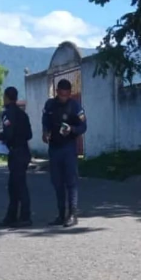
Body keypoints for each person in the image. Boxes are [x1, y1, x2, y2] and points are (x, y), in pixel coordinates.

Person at [42, 79, 87, 227]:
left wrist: (72, 130)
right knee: (57, 183)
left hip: (69, 148)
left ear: (70, 93)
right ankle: (61, 215)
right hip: (54, 148)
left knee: (71, 182)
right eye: (61, 94)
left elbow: (83, 126)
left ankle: (73, 214)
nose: (64, 97)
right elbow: (45, 121)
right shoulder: (49, 105)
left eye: (67, 95)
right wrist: (45, 132)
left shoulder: (75, 106)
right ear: (57, 92)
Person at [0, 87, 33, 228]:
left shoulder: (7, 114)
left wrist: (1, 136)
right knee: (14, 185)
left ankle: (25, 216)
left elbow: (9, 134)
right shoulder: (23, 114)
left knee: (18, 185)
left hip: (16, 152)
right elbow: (29, 135)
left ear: (6, 97)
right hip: (24, 151)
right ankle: (11, 216)